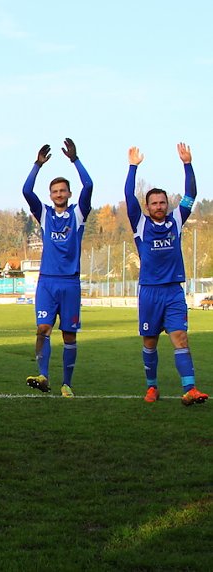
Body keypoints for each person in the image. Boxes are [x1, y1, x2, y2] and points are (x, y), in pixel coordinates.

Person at [125, 143, 208, 406]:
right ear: (147, 206)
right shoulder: (140, 223)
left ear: (167, 203)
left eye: (162, 202)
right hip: (150, 291)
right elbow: (128, 196)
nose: (159, 206)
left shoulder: (177, 219)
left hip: (173, 290)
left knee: (180, 338)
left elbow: (191, 194)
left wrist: (187, 163)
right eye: (154, 203)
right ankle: (152, 387)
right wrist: (133, 167)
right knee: (150, 342)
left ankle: (190, 388)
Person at [22, 138, 93, 398]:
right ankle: (43, 375)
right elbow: (27, 191)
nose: (59, 194)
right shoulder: (44, 214)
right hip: (47, 283)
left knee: (69, 336)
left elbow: (90, 185)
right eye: (55, 192)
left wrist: (75, 160)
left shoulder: (78, 214)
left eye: (63, 191)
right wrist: (37, 165)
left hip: (70, 283)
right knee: (43, 329)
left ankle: (67, 384)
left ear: (69, 194)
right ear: (51, 196)